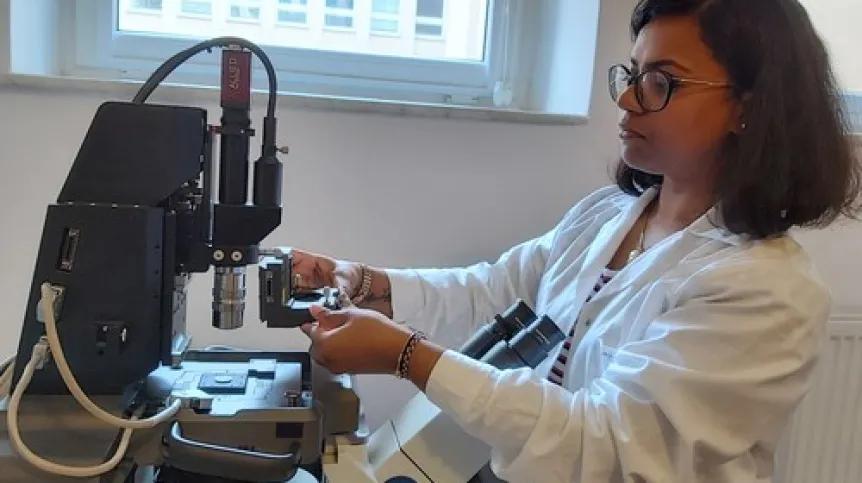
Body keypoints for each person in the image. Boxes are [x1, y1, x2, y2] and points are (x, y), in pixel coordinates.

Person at [295, 0, 862, 481]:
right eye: (632, 75)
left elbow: (606, 443)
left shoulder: (765, 290)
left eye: (661, 82)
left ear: (747, 107)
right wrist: (361, 280)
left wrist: (406, 357)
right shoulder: (607, 215)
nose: (626, 101)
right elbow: (494, 288)